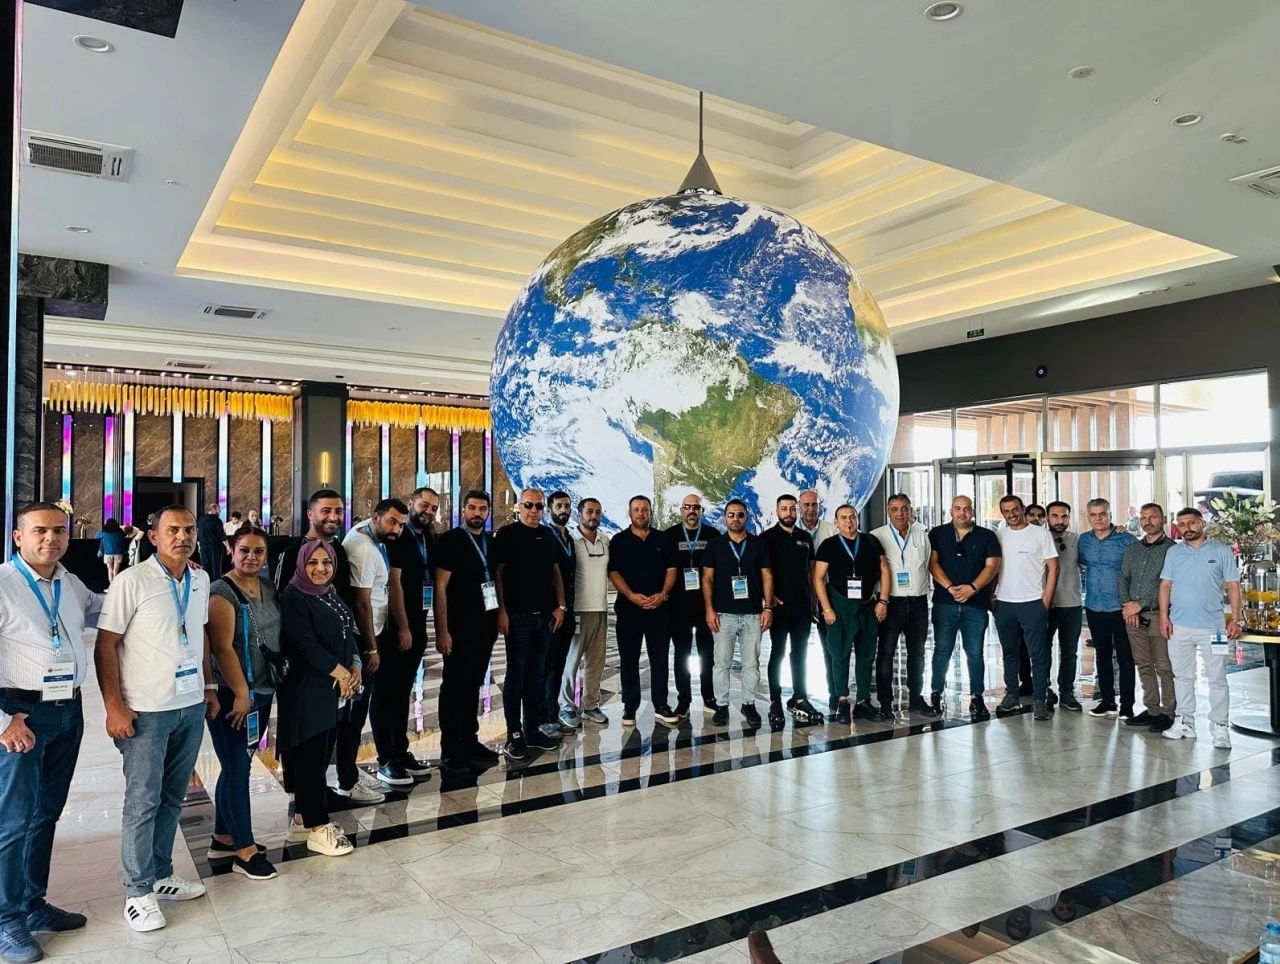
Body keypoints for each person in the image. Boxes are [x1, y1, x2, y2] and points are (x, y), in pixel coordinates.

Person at [94, 505, 217, 932]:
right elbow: (106, 645)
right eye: (173, 530)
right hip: (145, 710)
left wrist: (208, 686)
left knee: (172, 797)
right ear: (153, 537)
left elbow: (200, 634)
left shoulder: (200, 579)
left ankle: (161, 874)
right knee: (142, 801)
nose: (183, 537)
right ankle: (137, 892)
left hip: (189, 706)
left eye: (189, 530)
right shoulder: (131, 581)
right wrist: (114, 706)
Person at [0, 503, 98, 963]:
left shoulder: (68, 582)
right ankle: (6, 920)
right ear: (18, 536)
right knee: (13, 822)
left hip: (67, 712)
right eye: (39, 530)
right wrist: (5, 721)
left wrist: (167, 574)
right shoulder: (3, 584)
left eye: (59, 530)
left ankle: (32, 903)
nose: (51, 539)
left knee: (46, 814)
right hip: (20, 716)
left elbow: (105, 607)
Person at [203, 524, 280, 880]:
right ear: (231, 551)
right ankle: (245, 851)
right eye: (244, 550)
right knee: (237, 768)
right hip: (232, 696)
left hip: (262, 690)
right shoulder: (222, 592)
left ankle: (223, 837)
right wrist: (241, 693)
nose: (251, 557)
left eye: (258, 551)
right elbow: (222, 648)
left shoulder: (267, 586)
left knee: (238, 763)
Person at [276, 540, 358, 857]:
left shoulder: (329, 591)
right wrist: (343, 674)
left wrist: (356, 664)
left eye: (326, 562)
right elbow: (305, 645)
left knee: (321, 754)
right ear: (301, 564)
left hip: (331, 687)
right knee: (309, 758)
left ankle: (301, 820)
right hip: (307, 689)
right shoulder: (294, 597)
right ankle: (317, 826)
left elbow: (347, 629)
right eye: (313, 562)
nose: (320, 569)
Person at [336, 499, 407, 800]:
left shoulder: (369, 534)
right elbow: (361, 603)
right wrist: (371, 649)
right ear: (375, 517)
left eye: (401, 525)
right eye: (392, 522)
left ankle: (348, 774)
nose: (397, 529)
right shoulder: (364, 549)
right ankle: (347, 782)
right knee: (354, 714)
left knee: (356, 711)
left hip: (369, 634)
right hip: (361, 639)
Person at [1159, 507, 1242, 747]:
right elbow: (1165, 585)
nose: (1187, 528)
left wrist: (1236, 619)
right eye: (1182, 524)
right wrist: (1164, 617)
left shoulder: (1221, 551)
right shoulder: (1174, 552)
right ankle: (1185, 722)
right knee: (1182, 676)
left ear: (1202, 524)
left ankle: (1220, 728)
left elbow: (1233, 586)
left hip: (1215, 629)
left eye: (1192, 523)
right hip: (1179, 627)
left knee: (1217, 678)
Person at [495, 489, 567, 761]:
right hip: (518, 618)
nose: (533, 510)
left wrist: (560, 605)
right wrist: (502, 611)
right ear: (519, 507)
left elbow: (556, 570)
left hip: (544, 617)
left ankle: (532, 729)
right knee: (516, 674)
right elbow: (498, 574)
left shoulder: (547, 535)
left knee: (537, 675)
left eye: (538, 506)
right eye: (528, 505)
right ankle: (514, 735)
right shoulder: (507, 534)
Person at [434, 491, 502, 771]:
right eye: (472, 508)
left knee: (473, 683)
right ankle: (450, 748)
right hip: (458, 627)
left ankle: (469, 739)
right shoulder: (450, 540)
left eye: (482, 508)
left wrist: (500, 615)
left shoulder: (490, 541)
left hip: (484, 625)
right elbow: (440, 587)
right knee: (454, 686)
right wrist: (442, 630)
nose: (477, 513)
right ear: (463, 510)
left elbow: (496, 579)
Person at [375, 488, 438, 786]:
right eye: (424, 505)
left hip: (419, 622)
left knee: (402, 692)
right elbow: (394, 583)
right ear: (411, 503)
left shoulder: (428, 537)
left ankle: (400, 751)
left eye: (434, 508)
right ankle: (385, 758)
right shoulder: (398, 536)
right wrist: (403, 626)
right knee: (386, 692)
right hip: (396, 627)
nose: (428, 511)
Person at [813, 505, 890, 724]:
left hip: (867, 605)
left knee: (866, 655)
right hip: (839, 605)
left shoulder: (871, 541)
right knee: (839, 654)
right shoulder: (828, 545)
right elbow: (818, 578)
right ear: (836, 522)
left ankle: (864, 701)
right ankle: (842, 700)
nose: (849, 521)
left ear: (858, 519)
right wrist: (826, 608)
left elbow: (885, 570)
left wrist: (883, 601)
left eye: (852, 517)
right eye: (844, 518)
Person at [928, 495, 1000, 719]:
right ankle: (936, 693)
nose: (962, 513)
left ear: (973, 512)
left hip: (976, 605)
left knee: (975, 652)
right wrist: (950, 587)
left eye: (967, 509)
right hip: (944, 603)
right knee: (942, 650)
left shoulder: (987, 536)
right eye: (958, 508)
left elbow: (992, 566)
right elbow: (932, 563)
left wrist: (973, 588)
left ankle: (977, 697)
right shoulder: (937, 534)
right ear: (950, 511)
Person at [702, 499, 773, 727]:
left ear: (746, 517)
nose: (735, 519)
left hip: (753, 614)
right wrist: (709, 609)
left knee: (751, 664)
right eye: (731, 515)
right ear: (725, 518)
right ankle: (721, 706)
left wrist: (768, 607)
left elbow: (767, 576)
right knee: (721, 663)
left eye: (740, 515)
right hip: (723, 615)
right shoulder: (715, 545)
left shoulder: (758, 543)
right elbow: (707, 578)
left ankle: (748, 704)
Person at [607, 495, 677, 728]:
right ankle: (629, 705)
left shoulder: (662, 538)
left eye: (644, 509)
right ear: (629, 513)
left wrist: (663, 594)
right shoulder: (619, 540)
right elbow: (614, 572)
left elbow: (671, 569)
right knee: (629, 659)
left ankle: (661, 704)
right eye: (636, 510)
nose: (640, 513)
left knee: (660, 659)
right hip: (629, 610)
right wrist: (630, 595)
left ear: (650, 512)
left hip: (659, 610)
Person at [993, 495, 1059, 721]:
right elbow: (993, 567)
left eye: (1015, 509)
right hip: (1004, 603)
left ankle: (1040, 699)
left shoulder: (1040, 533)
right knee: (1009, 652)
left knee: (1038, 654)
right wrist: (993, 598)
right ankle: (1012, 694)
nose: (1011, 514)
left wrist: (1046, 599)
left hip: (1033, 602)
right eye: (1006, 511)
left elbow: (1054, 567)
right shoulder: (999, 535)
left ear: (1022, 509)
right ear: (1002, 513)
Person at [762, 494, 823, 728]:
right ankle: (775, 701)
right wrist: (767, 600)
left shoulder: (805, 538)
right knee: (777, 652)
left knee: (800, 653)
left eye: (791, 509)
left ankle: (800, 698)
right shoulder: (767, 538)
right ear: (777, 511)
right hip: (779, 607)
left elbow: (812, 572)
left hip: (802, 606)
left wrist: (814, 602)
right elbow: (761, 573)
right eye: (784, 509)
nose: (788, 513)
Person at [871, 494, 934, 717]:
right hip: (891, 603)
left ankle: (916, 698)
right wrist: (880, 601)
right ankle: (885, 703)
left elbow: (927, 565)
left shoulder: (921, 535)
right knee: (886, 653)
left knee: (917, 654)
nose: (900, 513)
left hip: (918, 603)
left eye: (904, 508)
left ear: (910, 510)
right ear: (888, 512)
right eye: (895, 509)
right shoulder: (877, 536)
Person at [1076, 498, 1138, 719]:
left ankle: (1127, 705)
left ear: (1110, 515)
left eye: (1102, 514)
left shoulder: (1126, 540)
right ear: (1088, 517)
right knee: (1101, 655)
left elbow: (1136, 573)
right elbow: (1082, 563)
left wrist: (1134, 603)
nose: (1098, 518)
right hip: (1094, 605)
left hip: (1121, 607)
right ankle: (1107, 701)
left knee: (1125, 656)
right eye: (1093, 515)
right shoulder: (1084, 541)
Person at [1119, 503, 1177, 733]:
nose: (1147, 522)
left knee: (1163, 666)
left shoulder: (1173, 550)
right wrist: (1128, 606)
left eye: (1153, 517)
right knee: (1143, 664)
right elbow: (1123, 577)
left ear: (1163, 519)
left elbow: (1168, 584)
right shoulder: (1133, 549)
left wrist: (1140, 604)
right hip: (1133, 617)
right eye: (1143, 518)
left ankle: (1168, 712)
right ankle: (1152, 709)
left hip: (1159, 615)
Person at [663, 494, 720, 720]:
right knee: (681, 654)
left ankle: (709, 696)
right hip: (678, 606)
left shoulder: (713, 536)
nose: (692, 511)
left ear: (701, 511)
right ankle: (683, 699)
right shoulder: (670, 536)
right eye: (687, 507)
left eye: (696, 507)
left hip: (706, 605)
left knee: (707, 653)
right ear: (681, 510)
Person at [559, 498, 610, 728]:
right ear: (580, 514)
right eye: (589, 511)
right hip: (578, 609)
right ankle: (567, 706)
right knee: (571, 661)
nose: (594, 516)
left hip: (600, 609)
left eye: (597, 512)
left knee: (596, 661)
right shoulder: (571, 541)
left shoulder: (605, 540)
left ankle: (590, 705)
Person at [541, 491, 577, 737]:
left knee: (558, 666)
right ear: (549, 509)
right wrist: (558, 607)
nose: (563, 510)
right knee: (544, 667)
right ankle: (542, 718)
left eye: (566, 506)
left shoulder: (569, 538)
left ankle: (553, 714)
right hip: (552, 611)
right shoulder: (545, 537)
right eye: (558, 506)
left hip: (568, 611)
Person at [797, 490, 837, 709]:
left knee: (829, 647)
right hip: (800, 595)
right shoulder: (792, 533)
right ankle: (800, 694)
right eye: (806, 505)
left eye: (814, 504)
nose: (810, 509)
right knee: (799, 649)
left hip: (826, 595)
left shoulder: (831, 530)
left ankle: (834, 693)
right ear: (799, 507)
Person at [1044, 502, 1084, 711]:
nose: (1060, 520)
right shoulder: (1040, 538)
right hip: (1045, 604)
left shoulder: (1077, 540)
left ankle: (1067, 692)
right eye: (1055, 516)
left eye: (1064, 516)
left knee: (1069, 651)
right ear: (1047, 517)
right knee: (1043, 651)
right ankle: (1044, 690)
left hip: (1072, 604)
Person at [196, 504, 228, 580]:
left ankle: (206, 584)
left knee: (206, 568)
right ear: (214, 510)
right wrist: (228, 546)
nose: (220, 511)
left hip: (203, 547)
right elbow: (221, 535)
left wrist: (199, 545)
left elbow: (198, 534)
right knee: (216, 569)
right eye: (219, 509)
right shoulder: (217, 520)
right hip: (215, 547)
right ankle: (216, 585)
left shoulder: (200, 520)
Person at [97, 517, 128, 584]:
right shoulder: (120, 532)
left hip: (108, 553)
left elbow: (96, 535)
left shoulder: (104, 533)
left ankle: (111, 585)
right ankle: (115, 585)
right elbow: (125, 535)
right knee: (115, 570)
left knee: (110, 570)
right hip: (118, 553)